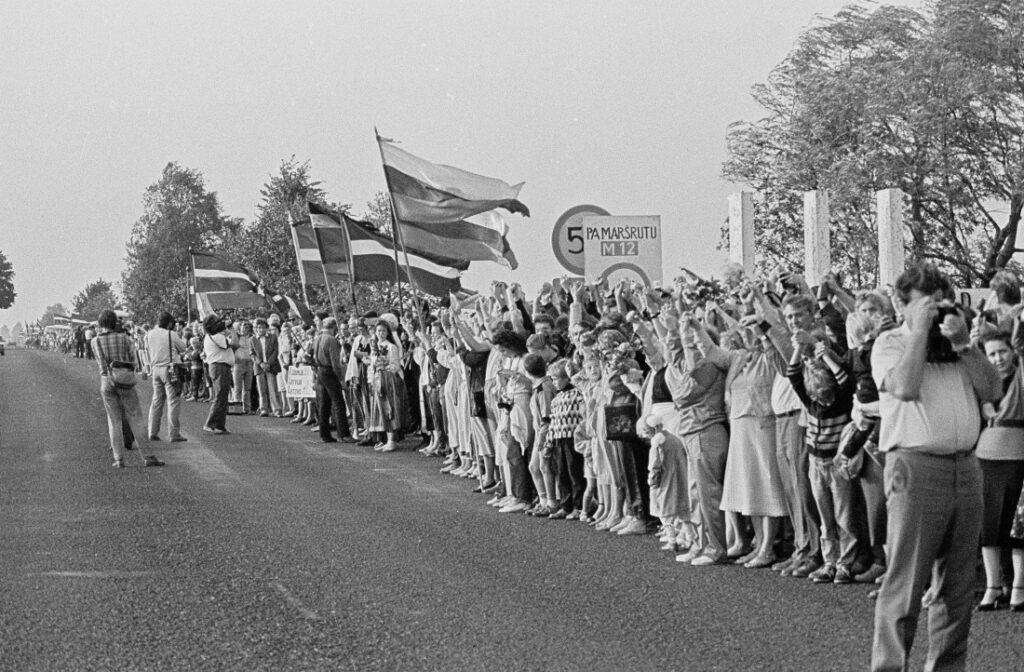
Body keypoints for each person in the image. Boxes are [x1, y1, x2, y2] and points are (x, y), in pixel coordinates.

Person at [870, 263, 1002, 672]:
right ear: (901, 305)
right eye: (927, 304)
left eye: (941, 302)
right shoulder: (891, 343)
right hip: (915, 468)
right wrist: (920, 332)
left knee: (958, 589)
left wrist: (964, 344)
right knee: (906, 585)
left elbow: (994, 388)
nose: (938, 311)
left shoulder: (958, 346)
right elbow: (906, 388)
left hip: (967, 466)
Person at [974, 329, 1024, 612]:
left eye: (1002, 351)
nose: (997, 358)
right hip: (985, 456)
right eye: (991, 354)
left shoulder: (1020, 377)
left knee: (1017, 527)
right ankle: (993, 586)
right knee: (988, 526)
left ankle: (1019, 586)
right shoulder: (983, 382)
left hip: (1017, 455)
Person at [91, 309, 164, 468]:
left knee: (114, 421)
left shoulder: (95, 341)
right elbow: (133, 359)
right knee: (135, 417)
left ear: (100, 324)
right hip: (124, 378)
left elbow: (100, 362)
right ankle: (148, 456)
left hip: (106, 379)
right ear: (114, 322)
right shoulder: (123, 338)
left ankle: (118, 459)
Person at [146, 312, 188, 442]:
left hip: (155, 369)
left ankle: (152, 431)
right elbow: (183, 348)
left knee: (156, 401)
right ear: (170, 323)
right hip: (170, 369)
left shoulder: (149, 334)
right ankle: (173, 433)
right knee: (173, 401)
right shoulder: (171, 334)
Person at [311, 318, 352, 444]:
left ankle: (325, 434)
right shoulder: (331, 340)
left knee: (324, 404)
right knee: (339, 403)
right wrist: (341, 379)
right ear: (334, 327)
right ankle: (343, 434)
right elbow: (336, 362)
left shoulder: (318, 338)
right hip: (329, 372)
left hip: (320, 371)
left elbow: (313, 357)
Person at [202, 313, 238, 435]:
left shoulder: (210, 336)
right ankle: (211, 423)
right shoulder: (216, 336)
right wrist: (231, 329)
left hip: (218, 366)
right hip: (220, 366)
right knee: (220, 396)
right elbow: (234, 344)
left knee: (222, 396)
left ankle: (219, 425)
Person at [251, 317, 283, 417]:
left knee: (272, 388)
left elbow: (275, 352)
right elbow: (252, 354)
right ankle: (263, 409)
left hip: (271, 366)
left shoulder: (273, 337)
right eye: (259, 328)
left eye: (263, 327)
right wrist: (260, 363)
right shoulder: (252, 339)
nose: (261, 330)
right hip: (259, 367)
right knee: (261, 389)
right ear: (256, 328)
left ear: (267, 328)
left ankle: (277, 410)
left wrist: (268, 363)